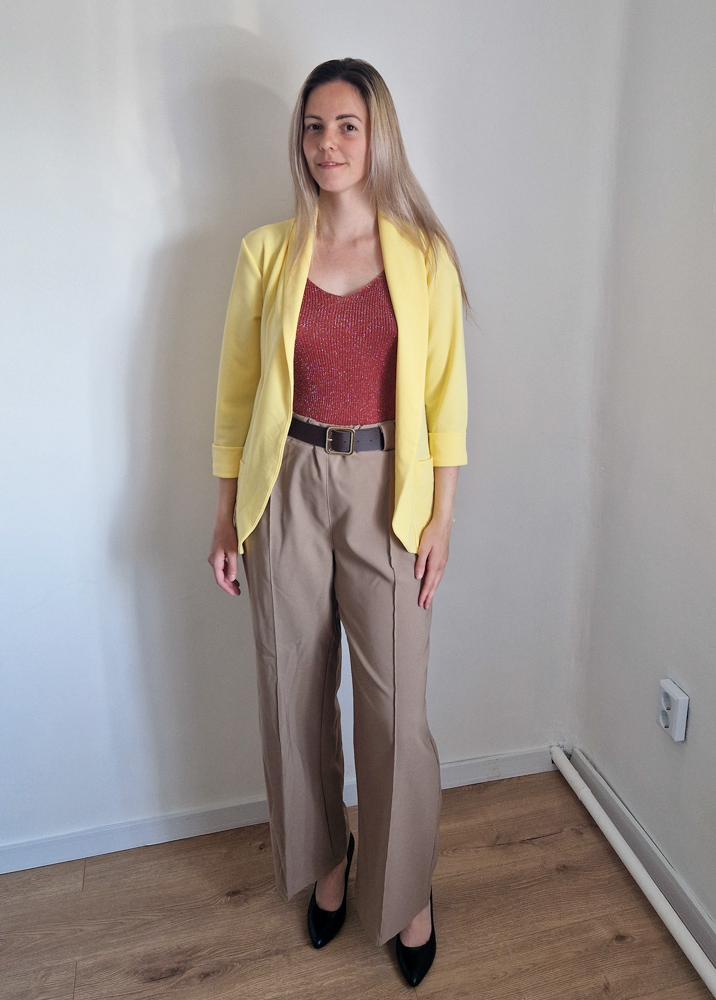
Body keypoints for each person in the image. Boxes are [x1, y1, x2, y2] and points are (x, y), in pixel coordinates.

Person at [208, 57, 468, 988]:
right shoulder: (265, 253)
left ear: (376, 134)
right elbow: (238, 393)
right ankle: (327, 861)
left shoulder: (423, 256)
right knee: (293, 689)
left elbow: (445, 396)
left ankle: (406, 891)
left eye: (346, 125)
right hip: (283, 485)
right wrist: (225, 514)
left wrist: (442, 515)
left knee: (396, 710)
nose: (328, 143)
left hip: (387, 489)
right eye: (314, 127)